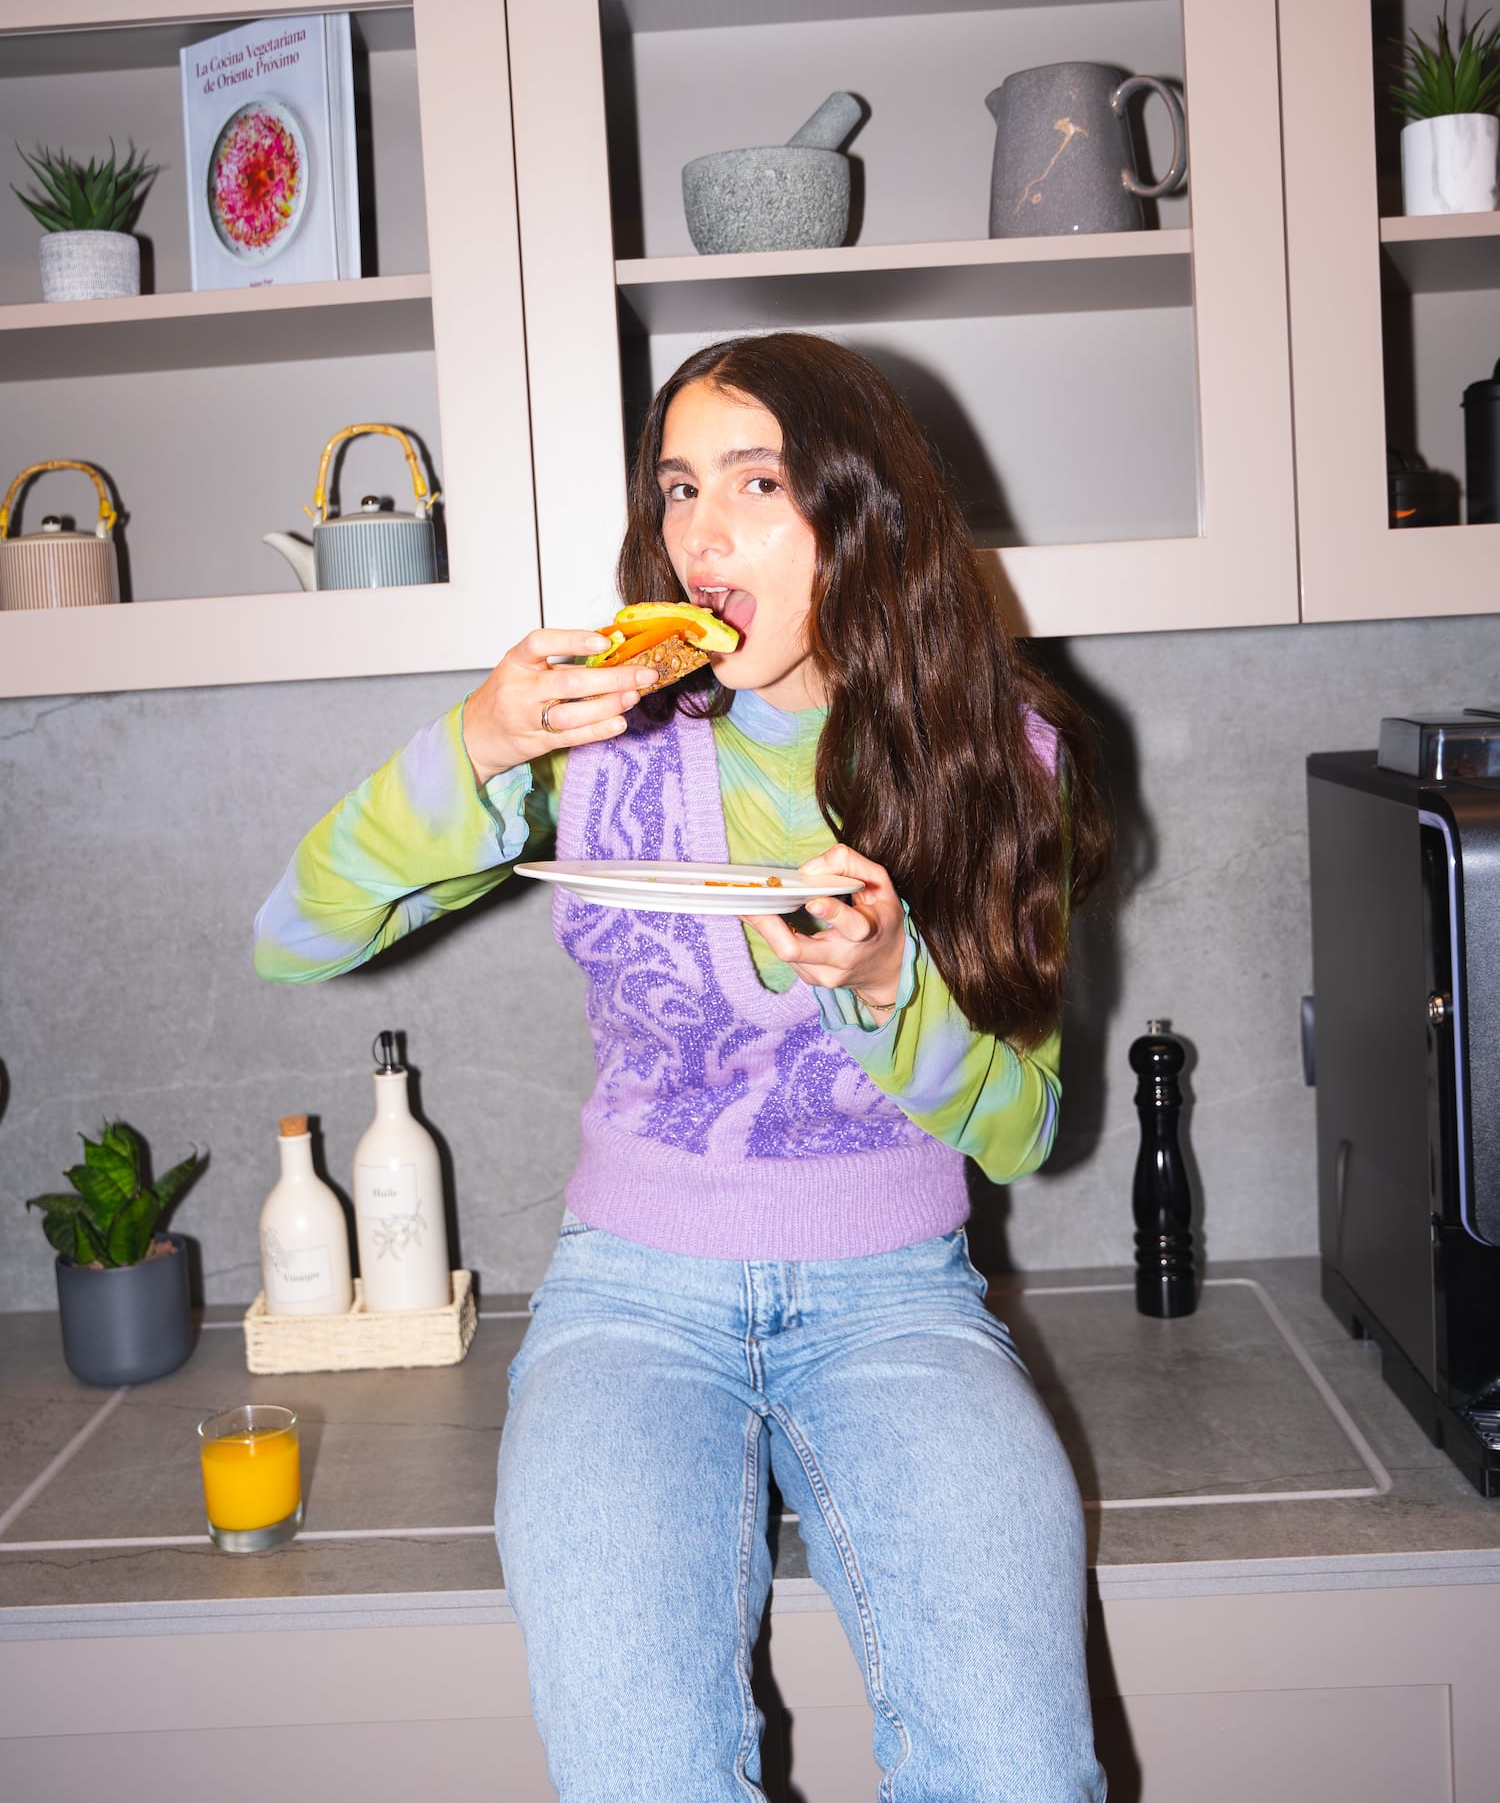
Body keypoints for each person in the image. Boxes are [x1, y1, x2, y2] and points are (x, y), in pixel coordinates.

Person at [255, 331, 1112, 1802]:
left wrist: (892, 982)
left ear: (864, 515)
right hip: (632, 1299)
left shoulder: (990, 754)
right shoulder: (594, 725)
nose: (700, 534)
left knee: (1021, 1772)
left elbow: (1028, 1129)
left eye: (757, 483)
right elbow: (295, 936)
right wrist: (473, 741)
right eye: (677, 489)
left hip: (897, 1293)